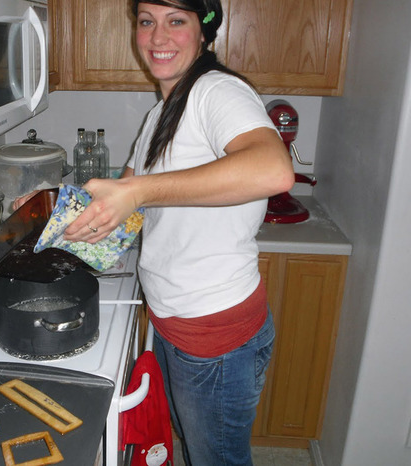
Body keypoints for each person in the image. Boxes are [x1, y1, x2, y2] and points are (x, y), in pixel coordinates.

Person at [63, 0, 295, 464]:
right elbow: (122, 203)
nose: (158, 37)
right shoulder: (160, 114)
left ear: (204, 33)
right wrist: (50, 217)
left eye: (176, 21)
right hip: (176, 321)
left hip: (215, 334)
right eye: (147, 22)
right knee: (196, 448)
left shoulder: (217, 91)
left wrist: (137, 192)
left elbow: (273, 169)